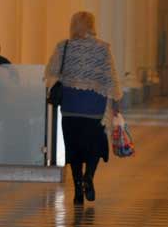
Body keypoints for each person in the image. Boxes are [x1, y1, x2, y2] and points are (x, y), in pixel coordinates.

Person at [45, 11, 122, 206]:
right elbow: (110, 79)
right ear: (92, 25)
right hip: (93, 107)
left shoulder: (64, 46)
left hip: (70, 106)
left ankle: (78, 187)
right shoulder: (102, 48)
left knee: (74, 147)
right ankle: (89, 177)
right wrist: (116, 104)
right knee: (94, 145)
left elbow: (51, 72)